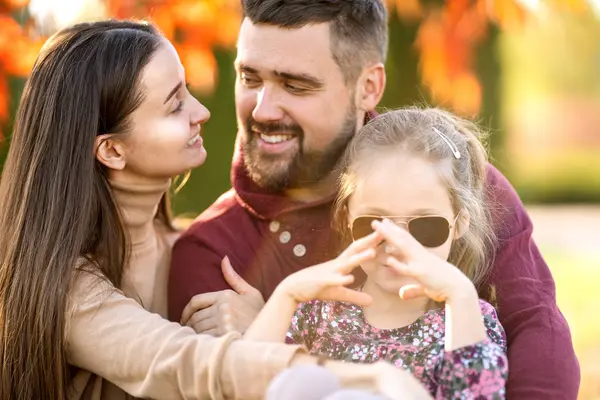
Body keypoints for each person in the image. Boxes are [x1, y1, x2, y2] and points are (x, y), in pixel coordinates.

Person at [0, 19, 432, 400]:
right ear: (112, 150)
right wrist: (361, 379)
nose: (202, 112)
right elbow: (185, 364)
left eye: (188, 92)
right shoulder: (67, 290)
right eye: (175, 105)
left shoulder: (194, 246)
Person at [168, 1, 579, 398]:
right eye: (250, 78)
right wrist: (272, 328)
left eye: (296, 85)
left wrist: (268, 330)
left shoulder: (456, 176)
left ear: (368, 87)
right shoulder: (211, 251)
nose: (263, 109)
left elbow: (535, 325)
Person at [243, 108, 509, 398]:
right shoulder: (317, 314)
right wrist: (287, 295)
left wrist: (460, 295)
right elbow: (240, 382)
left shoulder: (470, 317)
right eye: (375, 224)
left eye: (425, 226)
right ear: (346, 219)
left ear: (460, 223)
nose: (397, 244)